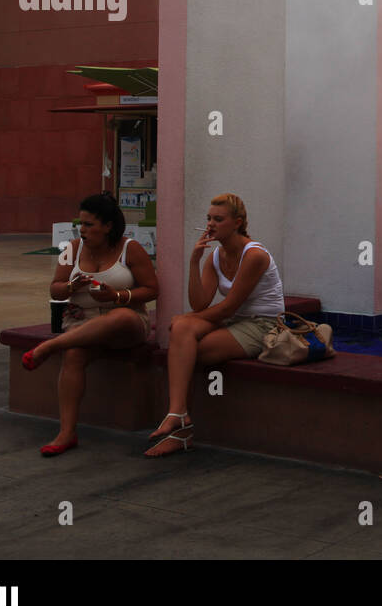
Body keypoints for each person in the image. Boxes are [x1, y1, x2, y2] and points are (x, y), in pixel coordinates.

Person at [147, 193, 286, 456]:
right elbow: (200, 303)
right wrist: (194, 261)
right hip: (235, 321)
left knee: (185, 349)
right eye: (208, 218)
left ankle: (180, 426)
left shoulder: (254, 254)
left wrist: (184, 320)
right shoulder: (215, 256)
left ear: (238, 223)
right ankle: (178, 415)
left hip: (263, 325)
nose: (210, 224)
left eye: (218, 219)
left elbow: (229, 306)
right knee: (183, 333)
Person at [22, 192, 158, 456]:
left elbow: (153, 289)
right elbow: (55, 290)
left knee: (119, 316)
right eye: (80, 224)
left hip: (124, 325)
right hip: (83, 326)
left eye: (89, 224)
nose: (82, 230)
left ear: (107, 226)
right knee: (73, 354)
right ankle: (66, 432)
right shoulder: (70, 249)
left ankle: (51, 346)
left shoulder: (131, 248)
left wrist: (116, 296)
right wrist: (71, 286)